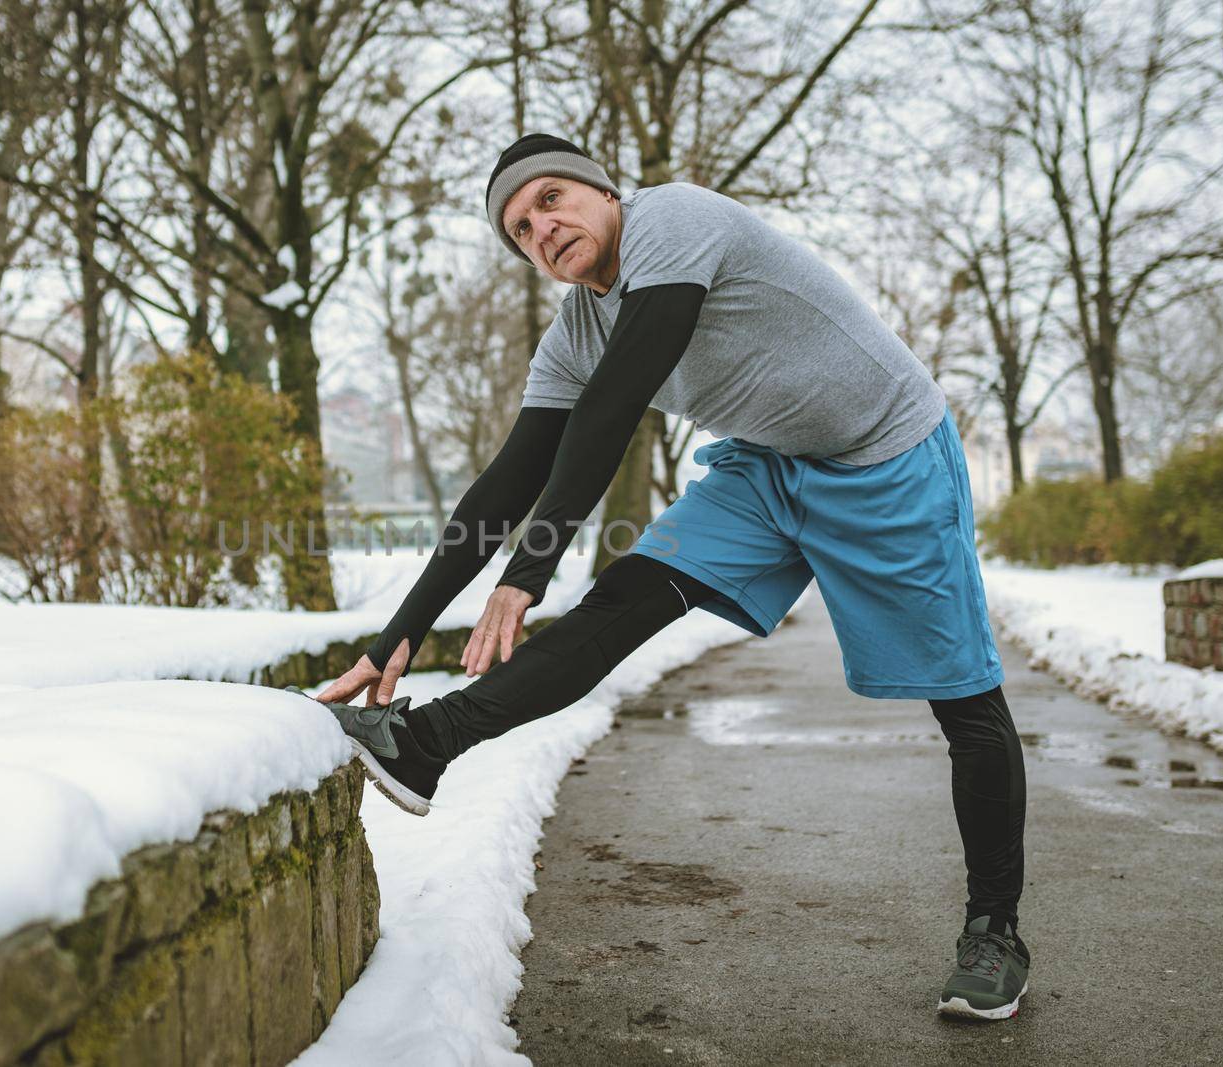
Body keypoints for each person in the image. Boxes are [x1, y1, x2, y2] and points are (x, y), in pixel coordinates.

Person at [311, 133, 1030, 1021]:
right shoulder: (573, 332)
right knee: (626, 594)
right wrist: (399, 634)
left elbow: (615, 406)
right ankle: (423, 746)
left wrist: (526, 572)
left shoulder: (675, 219)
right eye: (519, 228)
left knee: (962, 698)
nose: (541, 227)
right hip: (768, 468)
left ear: (603, 192)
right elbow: (506, 479)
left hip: (888, 454)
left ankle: (995, 931)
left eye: (550, 199)